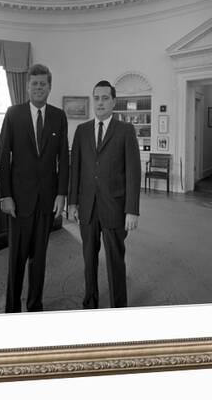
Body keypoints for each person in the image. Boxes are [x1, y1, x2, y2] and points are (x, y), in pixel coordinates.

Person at [0, 64, 69, 312]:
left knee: (39, 259)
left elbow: (64, 158)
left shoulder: (59, 116)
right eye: (34, 83)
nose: (39, 87)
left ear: (50, 87)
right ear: (27, 86)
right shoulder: (13, 113)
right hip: (18, 201)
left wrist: (61, 193)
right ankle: (12, 309)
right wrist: (5, 195)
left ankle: (35, 305)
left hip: (47, 200)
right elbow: (3, 156)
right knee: (16, 259)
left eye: (43, 83)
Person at [68, 80, 141, 309]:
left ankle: (119, 306)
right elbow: (75, 169)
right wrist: (72, 202)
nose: (100, 102)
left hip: (115, 208)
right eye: (96, 98)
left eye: (105, 98)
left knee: (115, 260)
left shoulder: (126, 131)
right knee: (89, 259)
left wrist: (132, 209)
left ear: (113, 101)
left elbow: (133, 172)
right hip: (87, 207)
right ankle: (90, 302)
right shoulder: (81, 131)